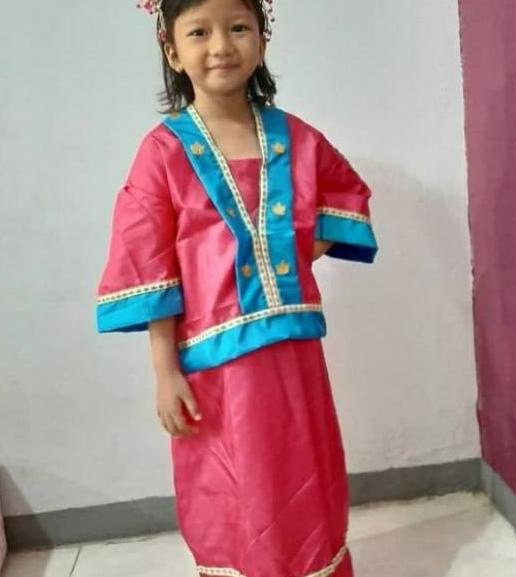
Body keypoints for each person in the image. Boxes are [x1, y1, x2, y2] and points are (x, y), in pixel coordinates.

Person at [95, 0, 378, 575]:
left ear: (262, 39)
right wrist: (165, 372)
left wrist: (291, 251)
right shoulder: (162, 153)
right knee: (233, 482)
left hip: (293, 354)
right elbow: (149, 265)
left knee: (302, 469)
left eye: (238, 27)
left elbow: (346, 193)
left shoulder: (297, 140)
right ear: (172, 50)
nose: (221, 45)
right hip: (214, 366)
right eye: (200, 32)